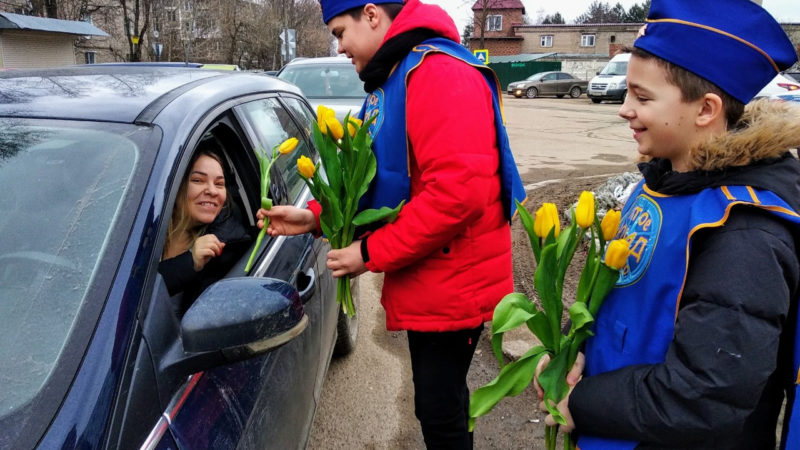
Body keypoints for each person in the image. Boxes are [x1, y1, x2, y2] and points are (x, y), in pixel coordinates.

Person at [257, 0, 525, 447]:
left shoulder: (438, 73)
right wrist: (314, 218)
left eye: (340, 32)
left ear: (372, 14)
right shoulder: (397, 75)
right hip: (436, 276)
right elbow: (371, 182)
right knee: (441, 406)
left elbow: (456, 195)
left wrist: (367, 252)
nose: (339, 47)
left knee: (441, 413)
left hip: (455, 282)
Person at [535, 1, 800, 449]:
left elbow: (705, 396)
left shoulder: (745, 233)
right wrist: (574, 356)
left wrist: (583, 403)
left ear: (705, 110)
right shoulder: (663, 183)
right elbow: (627, 306)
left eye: (642, 97)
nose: (624, 109)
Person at [159, 143, 252, 314]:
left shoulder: (228, 248)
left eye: (219, 184)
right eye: (197, 180)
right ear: (175, 186)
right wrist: (188, 263)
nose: (212, 190)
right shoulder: (143, 233)